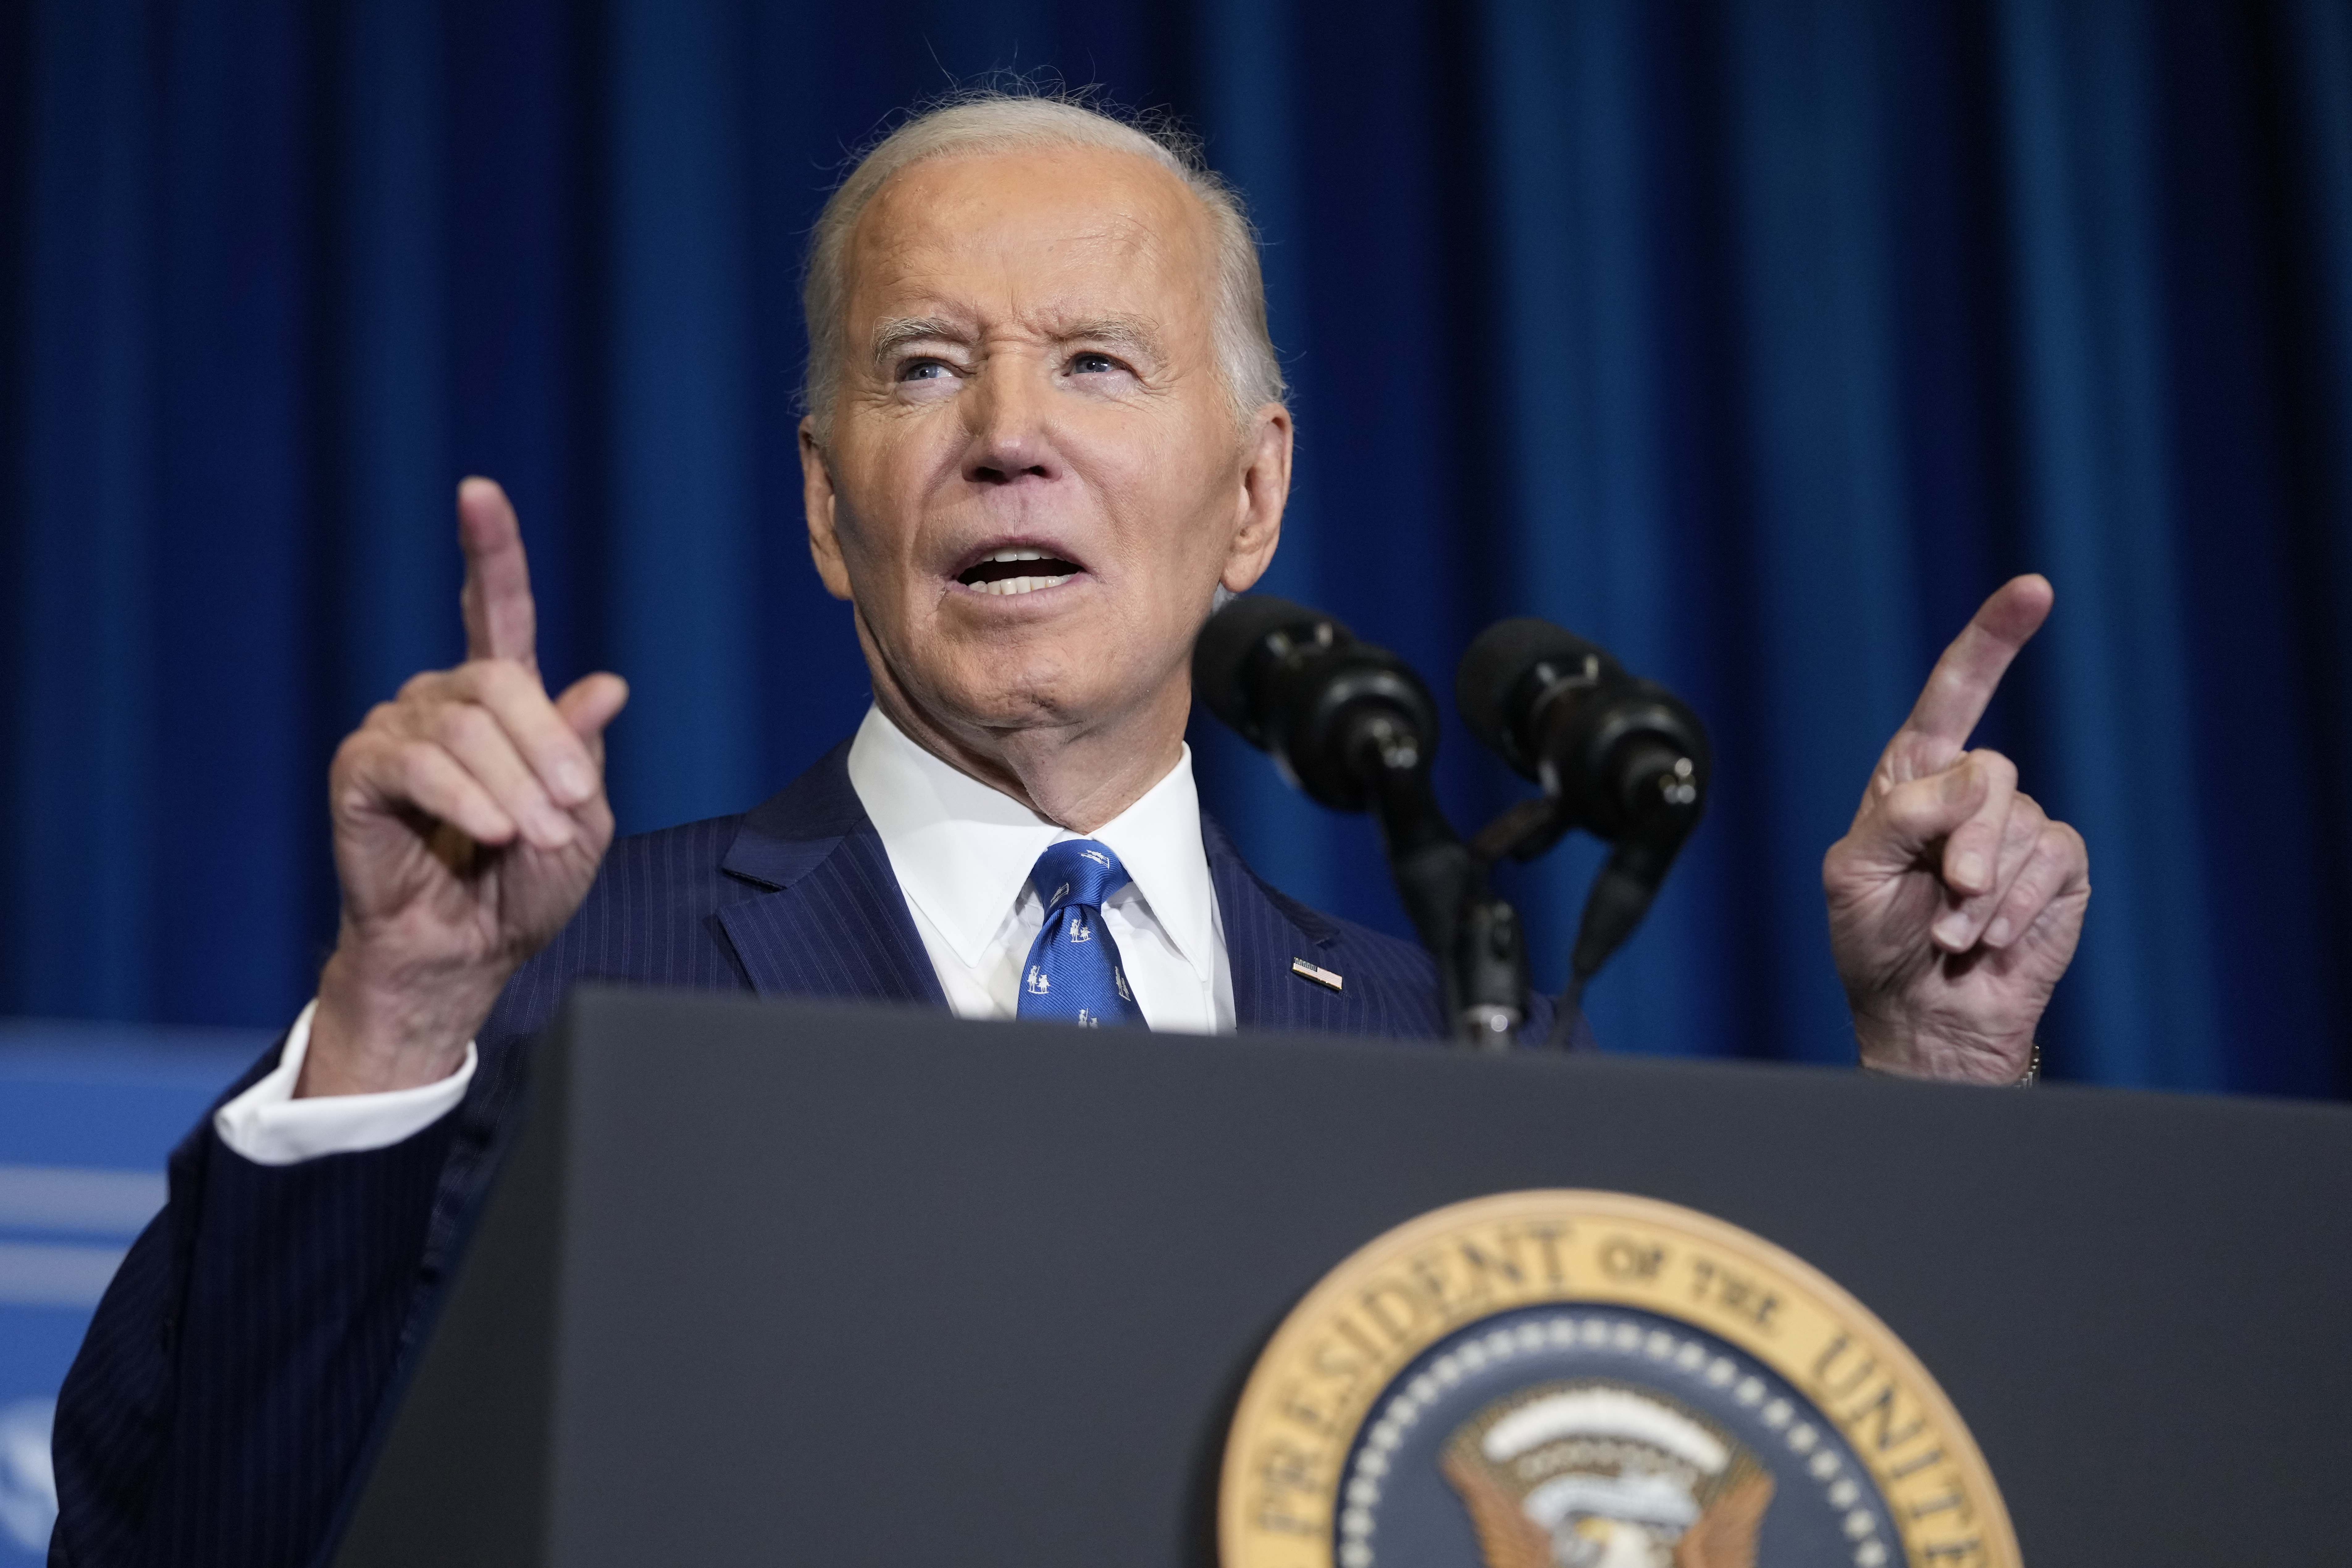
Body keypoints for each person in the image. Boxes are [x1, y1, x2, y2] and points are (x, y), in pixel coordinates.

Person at [47, 93, 2088, 1566]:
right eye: (924, 367)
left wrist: (1936, 1088)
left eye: (1097, 363)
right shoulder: (557, 975)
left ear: (1252, 495)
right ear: (830, 509)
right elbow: (192, 1533)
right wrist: (397, 1012)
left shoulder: (1455, 1045)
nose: (1007, 429)